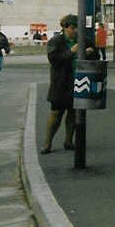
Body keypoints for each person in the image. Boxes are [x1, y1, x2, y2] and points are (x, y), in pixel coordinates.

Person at [41, 14, 96, 154]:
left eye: (77, 28)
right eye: (72, 28)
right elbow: (54, 59)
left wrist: (90, 53)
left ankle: (68, 141)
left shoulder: (85, 40)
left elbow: (96, 56)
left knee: (73, 112)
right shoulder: (56, 41)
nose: (75, 31)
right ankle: (47, 142)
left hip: (78, 81)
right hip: (61, 82)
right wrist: (71, 51)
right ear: (65, 28)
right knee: (56, 112)